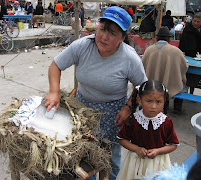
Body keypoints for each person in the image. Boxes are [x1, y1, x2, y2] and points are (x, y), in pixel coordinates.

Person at [44, 6, 147, 180]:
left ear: (123, 38)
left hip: (113, 114)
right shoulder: (83, 45)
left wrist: (128, 107)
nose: (104, 37)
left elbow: (142, 87)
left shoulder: (130, 58)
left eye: (113, 33)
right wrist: (54, 92)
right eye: (102, 29)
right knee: (85, 155)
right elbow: (56, 65)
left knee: (111, 157)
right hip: (84, 111)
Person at [116, 80, 179, 179]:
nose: (153, 106)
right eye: (149, 101)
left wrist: (158, 151)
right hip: (135, 163)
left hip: (158, 165)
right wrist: (136, 149)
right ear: (139, 100)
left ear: (164, 101)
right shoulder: (133, 120)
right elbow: (122, 139)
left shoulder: (166, 122)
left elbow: (173, 145)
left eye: (158, 102)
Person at [142, 26, 188, 114]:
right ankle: (177, 108)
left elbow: (142, 66)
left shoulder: (149, 50)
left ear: (157, 38)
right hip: (167, 86)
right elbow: (184, 66)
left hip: (150, 86)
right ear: (169, 38)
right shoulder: (176, 51)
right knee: (183, 85)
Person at [179, 12, 201, 94]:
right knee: (185, 76)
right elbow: (182, 42)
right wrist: (181, 52)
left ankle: (191, 92)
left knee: (195, 77)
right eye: (194, 21)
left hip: (199, 57)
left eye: (198, 22)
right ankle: (184, 92)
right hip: (188, 55)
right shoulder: (187, 30)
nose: (195, 23)